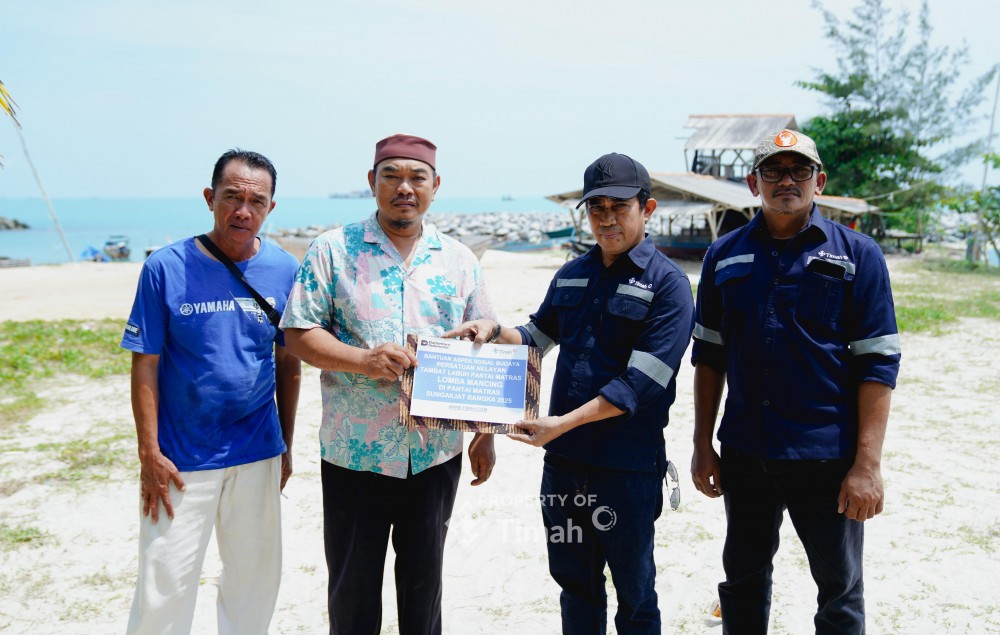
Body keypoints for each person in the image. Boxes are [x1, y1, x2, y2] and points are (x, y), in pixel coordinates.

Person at [445, 153, 695, 634]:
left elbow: (638, 385)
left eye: (619, 206)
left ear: (648, 208)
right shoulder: (573, 272)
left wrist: (561, 424)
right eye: (595, 206)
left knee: (635, 593)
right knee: (575, 586)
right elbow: (538, 335)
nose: (606, 217)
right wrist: (493, 330)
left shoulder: (669, 286)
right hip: (564, 468)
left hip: (627, 471)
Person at [279, 133, 497, 635]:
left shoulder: (460, 260)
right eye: (391, 176)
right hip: (354, 455)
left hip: (435, 454)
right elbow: (298, 332)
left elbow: (486, 343)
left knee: (424, 597)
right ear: (371, 182)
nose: (404, 187)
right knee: (352, 596)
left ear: (435, 185)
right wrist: (362, 359)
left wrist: (485, 434)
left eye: (417, 177)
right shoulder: (333, 251)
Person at [689, 129, 901, 634]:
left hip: (826, 458)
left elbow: (878, 364)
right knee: (741, 580)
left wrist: (867, 465)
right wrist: (701, 444)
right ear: (753, 181)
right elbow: (709, 356)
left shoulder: (859, 256)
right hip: (745, 452)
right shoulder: (724, 256)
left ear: (819, 181)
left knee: (839, 590)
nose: (787, 181)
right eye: (774, 171)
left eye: (799, 171)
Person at [121, 149, 301, 634]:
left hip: (257, 450)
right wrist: (149, 454)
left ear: (270, 208)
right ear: (210, 198)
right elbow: (145, 365)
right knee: (164, 586)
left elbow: (289, 364)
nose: (243, 211)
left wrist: (285, 443)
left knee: (254, 583)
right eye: (232, 197)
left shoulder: (285, 270)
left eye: (256, 201)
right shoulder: (165, 267)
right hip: (180, 459)